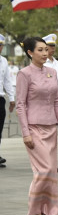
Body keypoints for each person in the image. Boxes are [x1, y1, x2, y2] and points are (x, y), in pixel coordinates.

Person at [16, 37, 58, 215]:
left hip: (50, 128)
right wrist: (25, 132)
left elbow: (57, 101)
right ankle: (34, 213)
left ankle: (45, 212)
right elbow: (20, 105)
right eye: (40, 50)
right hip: (34, 129)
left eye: (46, 49)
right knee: (43, 172)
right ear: (30, 52)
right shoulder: (24, 74)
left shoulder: (53, 72)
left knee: (51, 173)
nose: (45, 53)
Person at [42, 34, 58, 173]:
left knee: (52, 133)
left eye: (53, 46)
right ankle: (44, 162)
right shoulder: (41, 63)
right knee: (44, 133)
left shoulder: (57, 64)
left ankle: (51, 163)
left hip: (56, 101)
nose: (52, 48)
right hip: (44, 102)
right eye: (50, 46)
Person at [0, 34, 15, 168]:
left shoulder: (4, 61)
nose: (0, 48)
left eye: (1, 45)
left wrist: (11, 98)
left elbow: (7, 81)